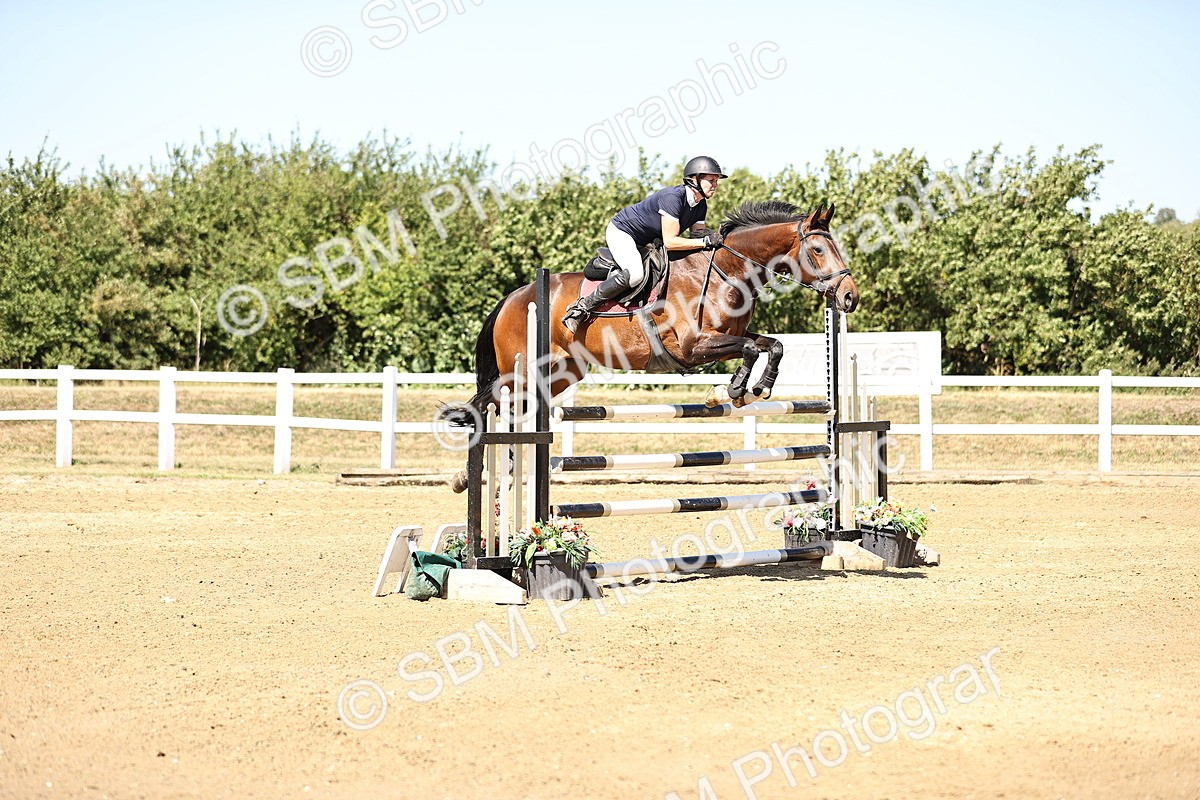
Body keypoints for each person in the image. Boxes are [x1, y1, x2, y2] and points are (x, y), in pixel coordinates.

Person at [561, 155, 728, 334]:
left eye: (716, 181)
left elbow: (697, 234)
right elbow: (671, 242)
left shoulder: (700, 204)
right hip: (623, 232)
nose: (715, 185)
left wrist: (718, 238)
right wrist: (704, 241)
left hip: (649, 241)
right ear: (693, 180)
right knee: (635, 275)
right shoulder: (673, 198)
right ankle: (580, 308)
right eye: (711, 180)